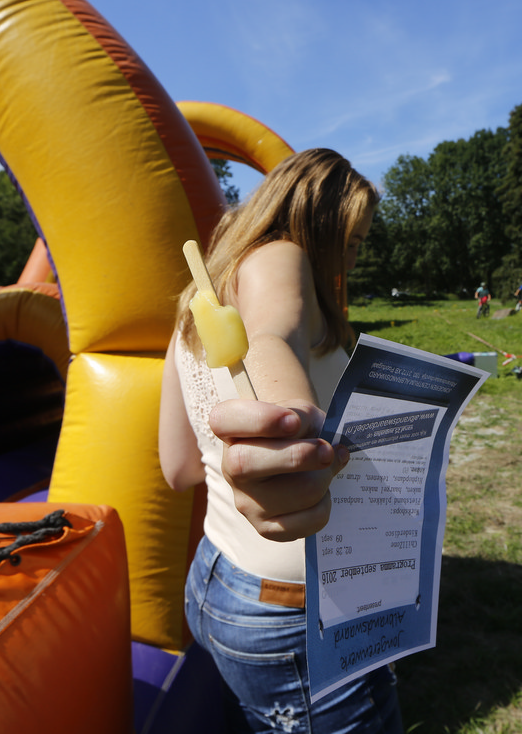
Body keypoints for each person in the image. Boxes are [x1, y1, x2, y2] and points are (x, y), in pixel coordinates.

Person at [158, 149, 403, 733]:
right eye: (351, 241)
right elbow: (273, 335)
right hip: (291, 609)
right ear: (317, 225)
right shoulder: (282, 256)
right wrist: (289, 424)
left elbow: (179, 468)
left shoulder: (196, 305)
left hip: (217, 578)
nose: (353, 258)